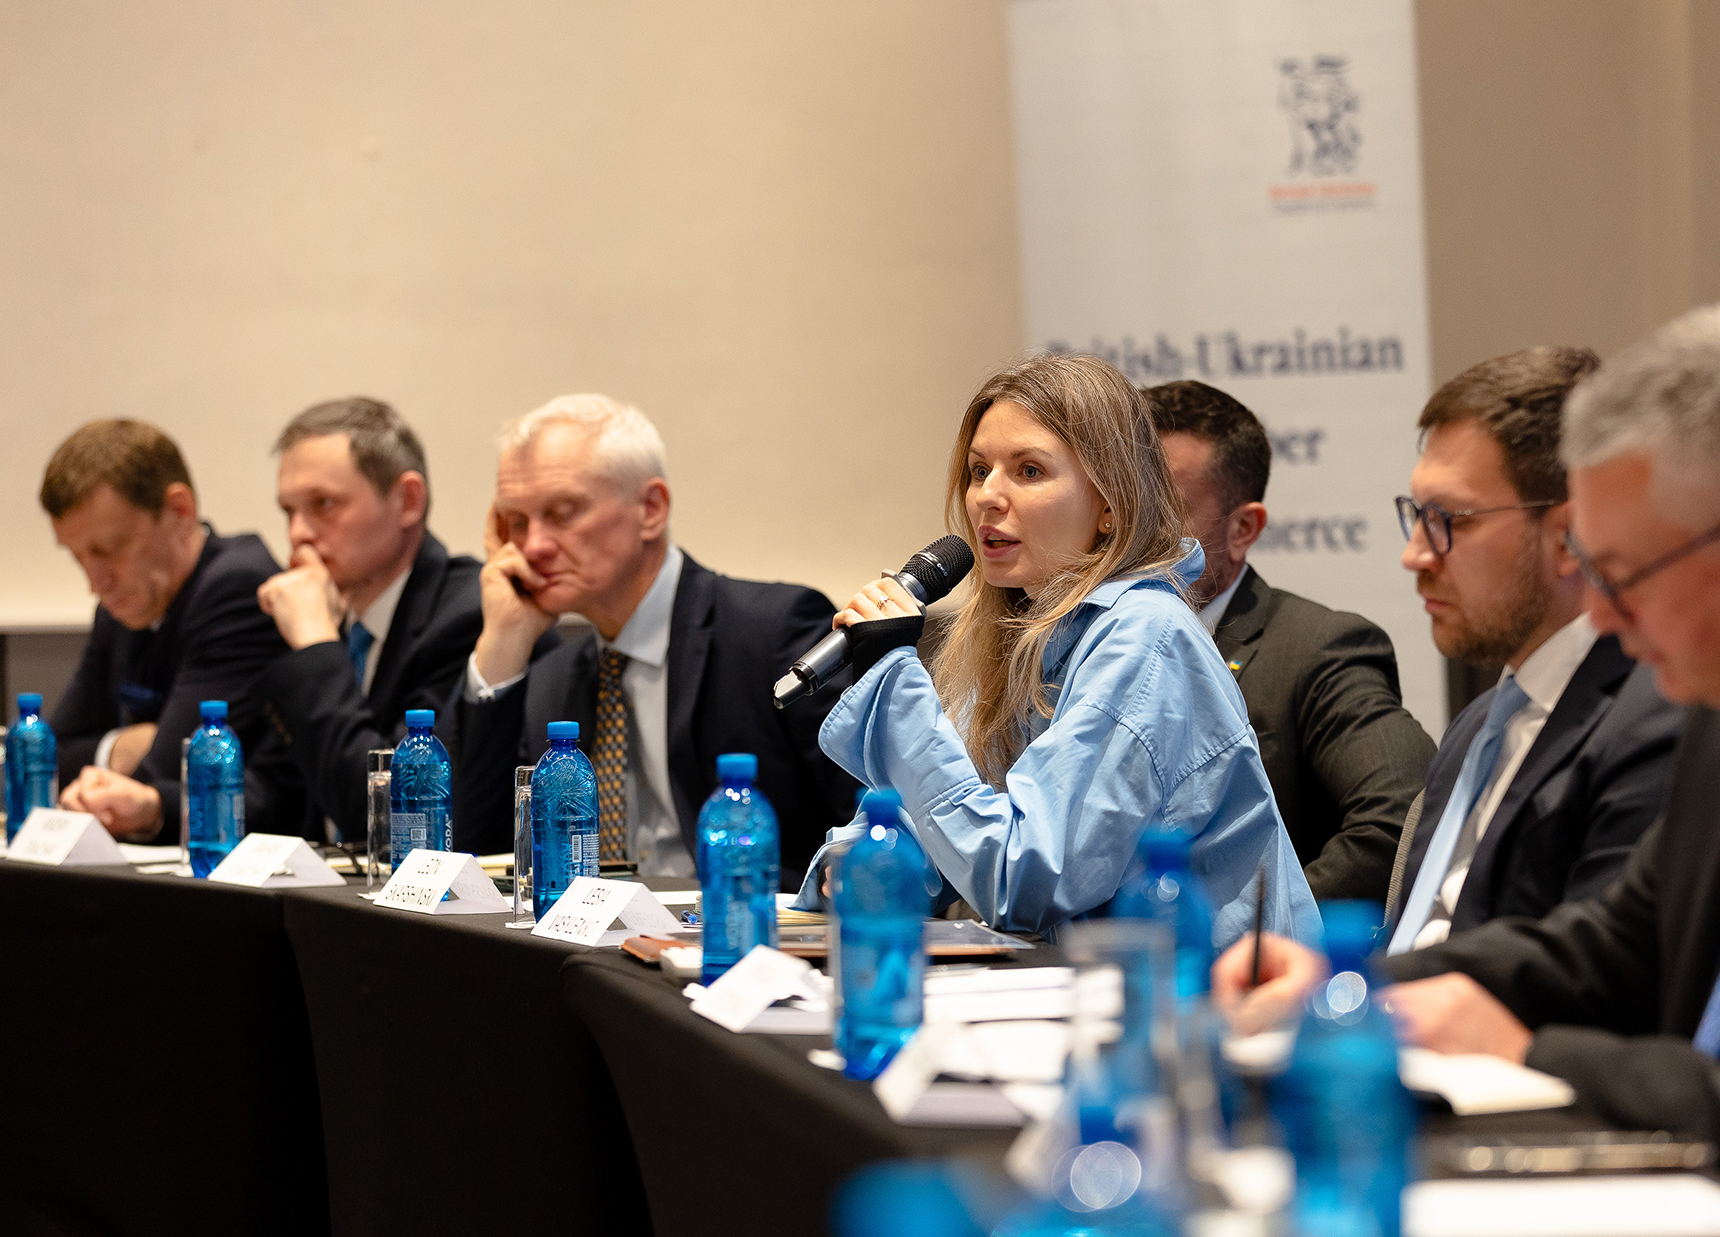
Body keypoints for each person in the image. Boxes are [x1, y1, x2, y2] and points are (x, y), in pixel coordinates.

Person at [1215, 304, 1720, 1228]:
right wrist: (1354, 984)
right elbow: (1620, 942)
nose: (1605, 616)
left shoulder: (1711, 704)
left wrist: (1532, 1053)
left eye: (1626, 576)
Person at [800, 353, 1319, 943]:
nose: (987, 497)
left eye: (1028, 471)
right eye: (978, 471)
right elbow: (947, 828)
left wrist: (896, 682)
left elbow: (1025, 879)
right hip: (1091, 986)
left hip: (1214, 996)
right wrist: (869, 864)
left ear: (1109, 506)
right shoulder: (1016, 635)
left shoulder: (1147, 638)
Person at [449, 393, 860, 886]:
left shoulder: (772, 632)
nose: (533, 546)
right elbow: (478, 853)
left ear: (650, 508)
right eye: (516, 523)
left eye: (562, 512)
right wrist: (504, 641)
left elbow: (880, 823)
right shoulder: (552, 678)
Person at [1382, 347, 1680, 949]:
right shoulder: (1475, 728)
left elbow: (1590, 972)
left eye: (1451, 519)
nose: (1414, 555)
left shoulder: (1652, 722)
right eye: (1416, 515)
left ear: (1571, 539)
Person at [1147, 380, 1435, 903]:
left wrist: (1263, 932)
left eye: (1161, 509)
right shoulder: (1067, 644)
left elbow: (1402, 815)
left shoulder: (1317, 649)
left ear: (1242, 529)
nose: (1128, 531)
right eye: (1119, 502)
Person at [44, 418, 301, 841]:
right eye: (78, 558)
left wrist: (129, 759)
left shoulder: (238, 589)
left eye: (109, 549)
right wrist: (119, 748)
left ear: (180, 511)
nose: (95, 582)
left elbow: (158, 781)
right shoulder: (121, 605)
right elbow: (45, 762)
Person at [249, 398, 482, 841]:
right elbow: (278, 790)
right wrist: (155, 807)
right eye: (289, 511)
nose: (298, 534)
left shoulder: (467, 617)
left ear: (408, 501)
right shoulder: (329, 612)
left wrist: (315, 643)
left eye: (324, 503)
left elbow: (388, 816)